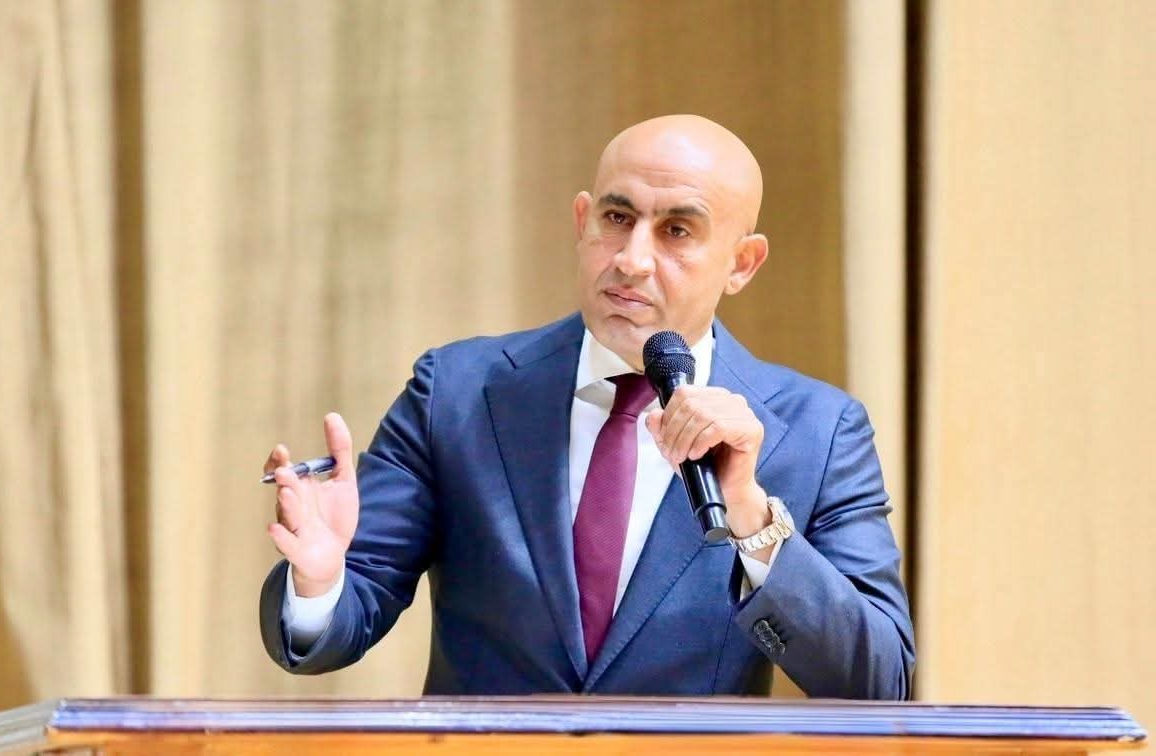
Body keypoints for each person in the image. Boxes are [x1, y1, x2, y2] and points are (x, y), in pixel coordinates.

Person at [259, 115, 915, 698]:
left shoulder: (819, 431)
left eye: (677, 231)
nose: (632, 260)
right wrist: (319, 581)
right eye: (617, 219)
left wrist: (751, 517)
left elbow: (878, 679)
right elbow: (347, 614)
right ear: (582, 221)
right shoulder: (455, 393)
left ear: (742, 263)